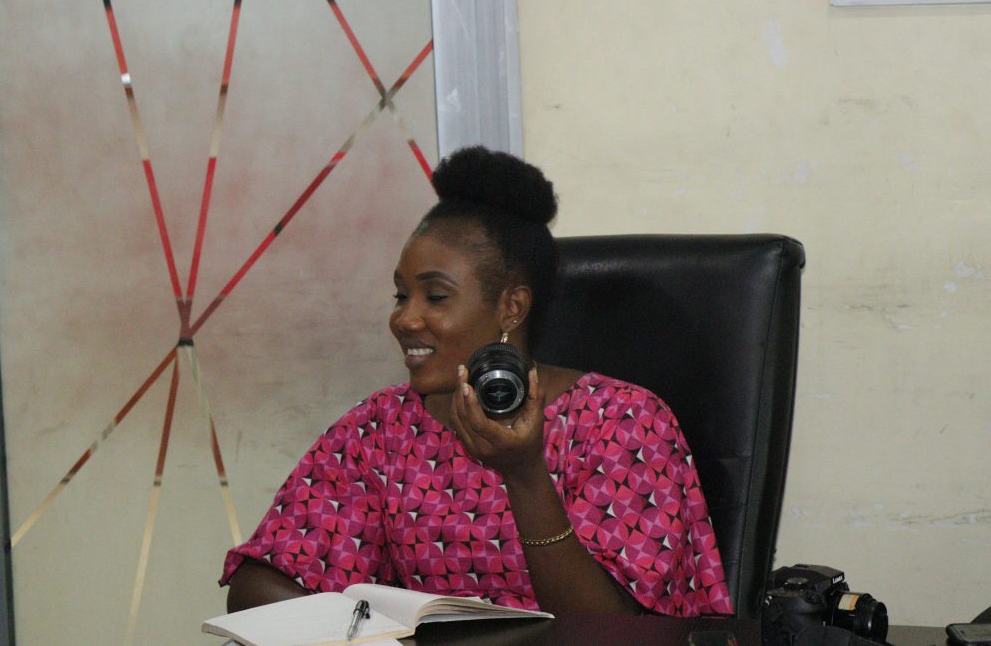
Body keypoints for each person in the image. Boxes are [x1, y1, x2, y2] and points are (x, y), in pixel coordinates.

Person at [220, 147, 733, 617]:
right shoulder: (379, 429)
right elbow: (263, 581)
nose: (405, 319)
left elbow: (610, 632)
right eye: (400, 296)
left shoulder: (622, 422)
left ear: (512, 306)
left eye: (435, 297)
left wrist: (524, 474)